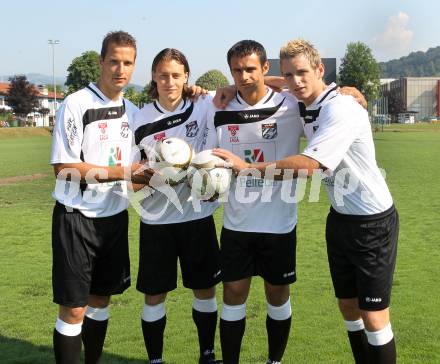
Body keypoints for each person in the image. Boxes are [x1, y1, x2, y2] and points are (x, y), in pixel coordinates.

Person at [214, 39, 399, 364]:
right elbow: (274, 83)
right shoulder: (304, 102)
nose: (296, 81)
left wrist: (247, 168)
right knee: (348, 307)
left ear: (320, 70)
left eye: (302, 73)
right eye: (290, 75)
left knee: (374, 316)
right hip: (340, 217)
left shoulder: (341, 107)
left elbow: (311, 166)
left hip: (373, 221)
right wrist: (232, 86)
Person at [50, 31, 151, 364]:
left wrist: (155, 180)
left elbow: (137, 177)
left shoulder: (134, 112)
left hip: (114, 220)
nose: (120, 70)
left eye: (127, 63)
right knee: (74, 307)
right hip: (76, 218)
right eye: (113, 61)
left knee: (101, 300)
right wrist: (126, 173)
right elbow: (64, 168)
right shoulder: (77, 104)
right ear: (100, 62)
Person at [205, 40, 305, 364]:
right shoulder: (218, 109)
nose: (244, 76)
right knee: (233, 294)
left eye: (251, 68)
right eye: (236, 70)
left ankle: (274, 361)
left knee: (277, 294)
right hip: (237, 223)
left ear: (265, 68)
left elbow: (317, 92)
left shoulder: (292, 106)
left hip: (279, 222)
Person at [131, 48, 222, 364]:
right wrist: (158, 174)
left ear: (186, 77)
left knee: (206, 289)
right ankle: (155, 359)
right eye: (162, 75)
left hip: (198, 216)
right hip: (156, 221)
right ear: (154, 77)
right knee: (155, 294)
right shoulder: (139, 119)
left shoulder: (204, 105)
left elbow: (247, 86)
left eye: (176, 75)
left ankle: (207, 354)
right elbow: (131, 180)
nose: (169, 81)